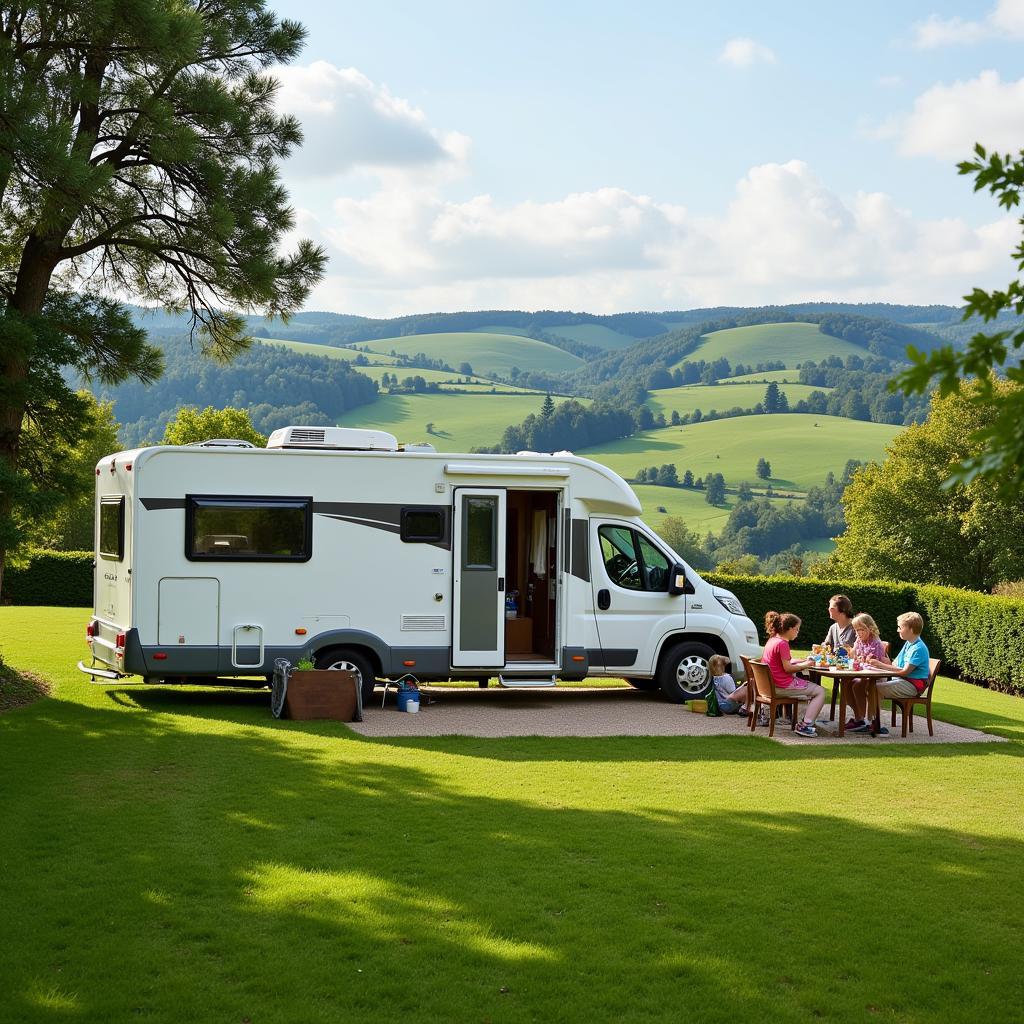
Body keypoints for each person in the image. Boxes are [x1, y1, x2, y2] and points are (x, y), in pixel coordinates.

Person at [762, 610, 826, 737]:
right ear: (789, 629)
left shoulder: (773, 640)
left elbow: (784, 662)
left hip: (771, 685)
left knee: (815, 690)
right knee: (820, 691)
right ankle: (805, 726)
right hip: (781, 685)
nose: (798, 632)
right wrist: (806, 665)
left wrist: (802, 661)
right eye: (796, 629)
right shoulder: (782, 644)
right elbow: (788, 668)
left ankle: (805, 723)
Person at [865, 612, 931, 728]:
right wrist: (880, 660)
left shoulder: (918, 648)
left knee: (874, 688)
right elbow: (894, 664)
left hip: (912, 685)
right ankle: (868, 721)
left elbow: (904, 672)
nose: (897, 630)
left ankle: (873, 724)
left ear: (910, 629)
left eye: (900, 627)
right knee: (870, 685)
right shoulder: (909, 644)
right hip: (904, 681)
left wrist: (880, 664)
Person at [845, 612, 890, 733]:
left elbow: (876, 665)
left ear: (870, 628)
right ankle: (859, 718)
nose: (859, 633)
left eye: (861, 630)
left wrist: (862, 660)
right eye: (856, 630)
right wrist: (853, 653)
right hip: (863, 673)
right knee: (846, 683)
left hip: (875, 676)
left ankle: (864, 720)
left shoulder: (876, 643)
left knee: (857, 684)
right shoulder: (859, 641)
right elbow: (855, 656)